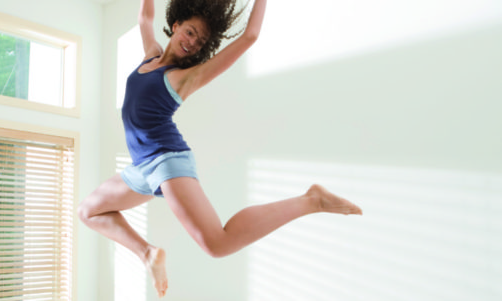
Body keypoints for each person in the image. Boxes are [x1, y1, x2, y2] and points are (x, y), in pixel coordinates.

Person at [78, 0, 363, 298]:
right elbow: (145, 17)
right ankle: (147, 254)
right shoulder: (151, 55)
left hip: (165, 160)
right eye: (190, 32)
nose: (192, 43)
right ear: (175, 26)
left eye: (200, 42)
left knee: (217, 243)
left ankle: (312, 200)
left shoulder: (187, 76)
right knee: (88, 211)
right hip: (142, 166)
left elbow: (250, 36)